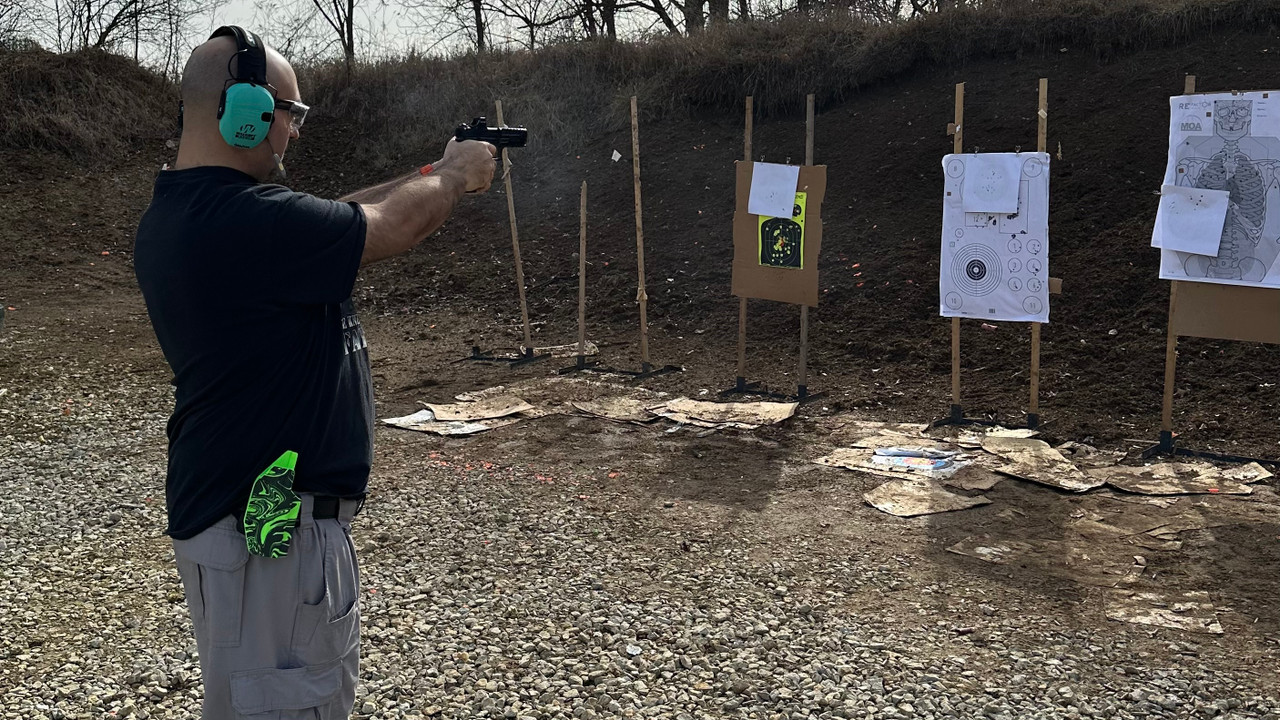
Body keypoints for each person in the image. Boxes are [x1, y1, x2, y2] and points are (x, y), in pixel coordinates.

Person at [133, 26, 496, 719]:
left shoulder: (199, 213)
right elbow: (385, 227)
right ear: (244, 109)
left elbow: (338, 216)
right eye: (291, 114)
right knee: (285, 704)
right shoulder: (243, 223)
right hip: (268, 532)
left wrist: (429, 171)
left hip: (254, 523)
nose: (295, 133)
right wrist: (452, 178)